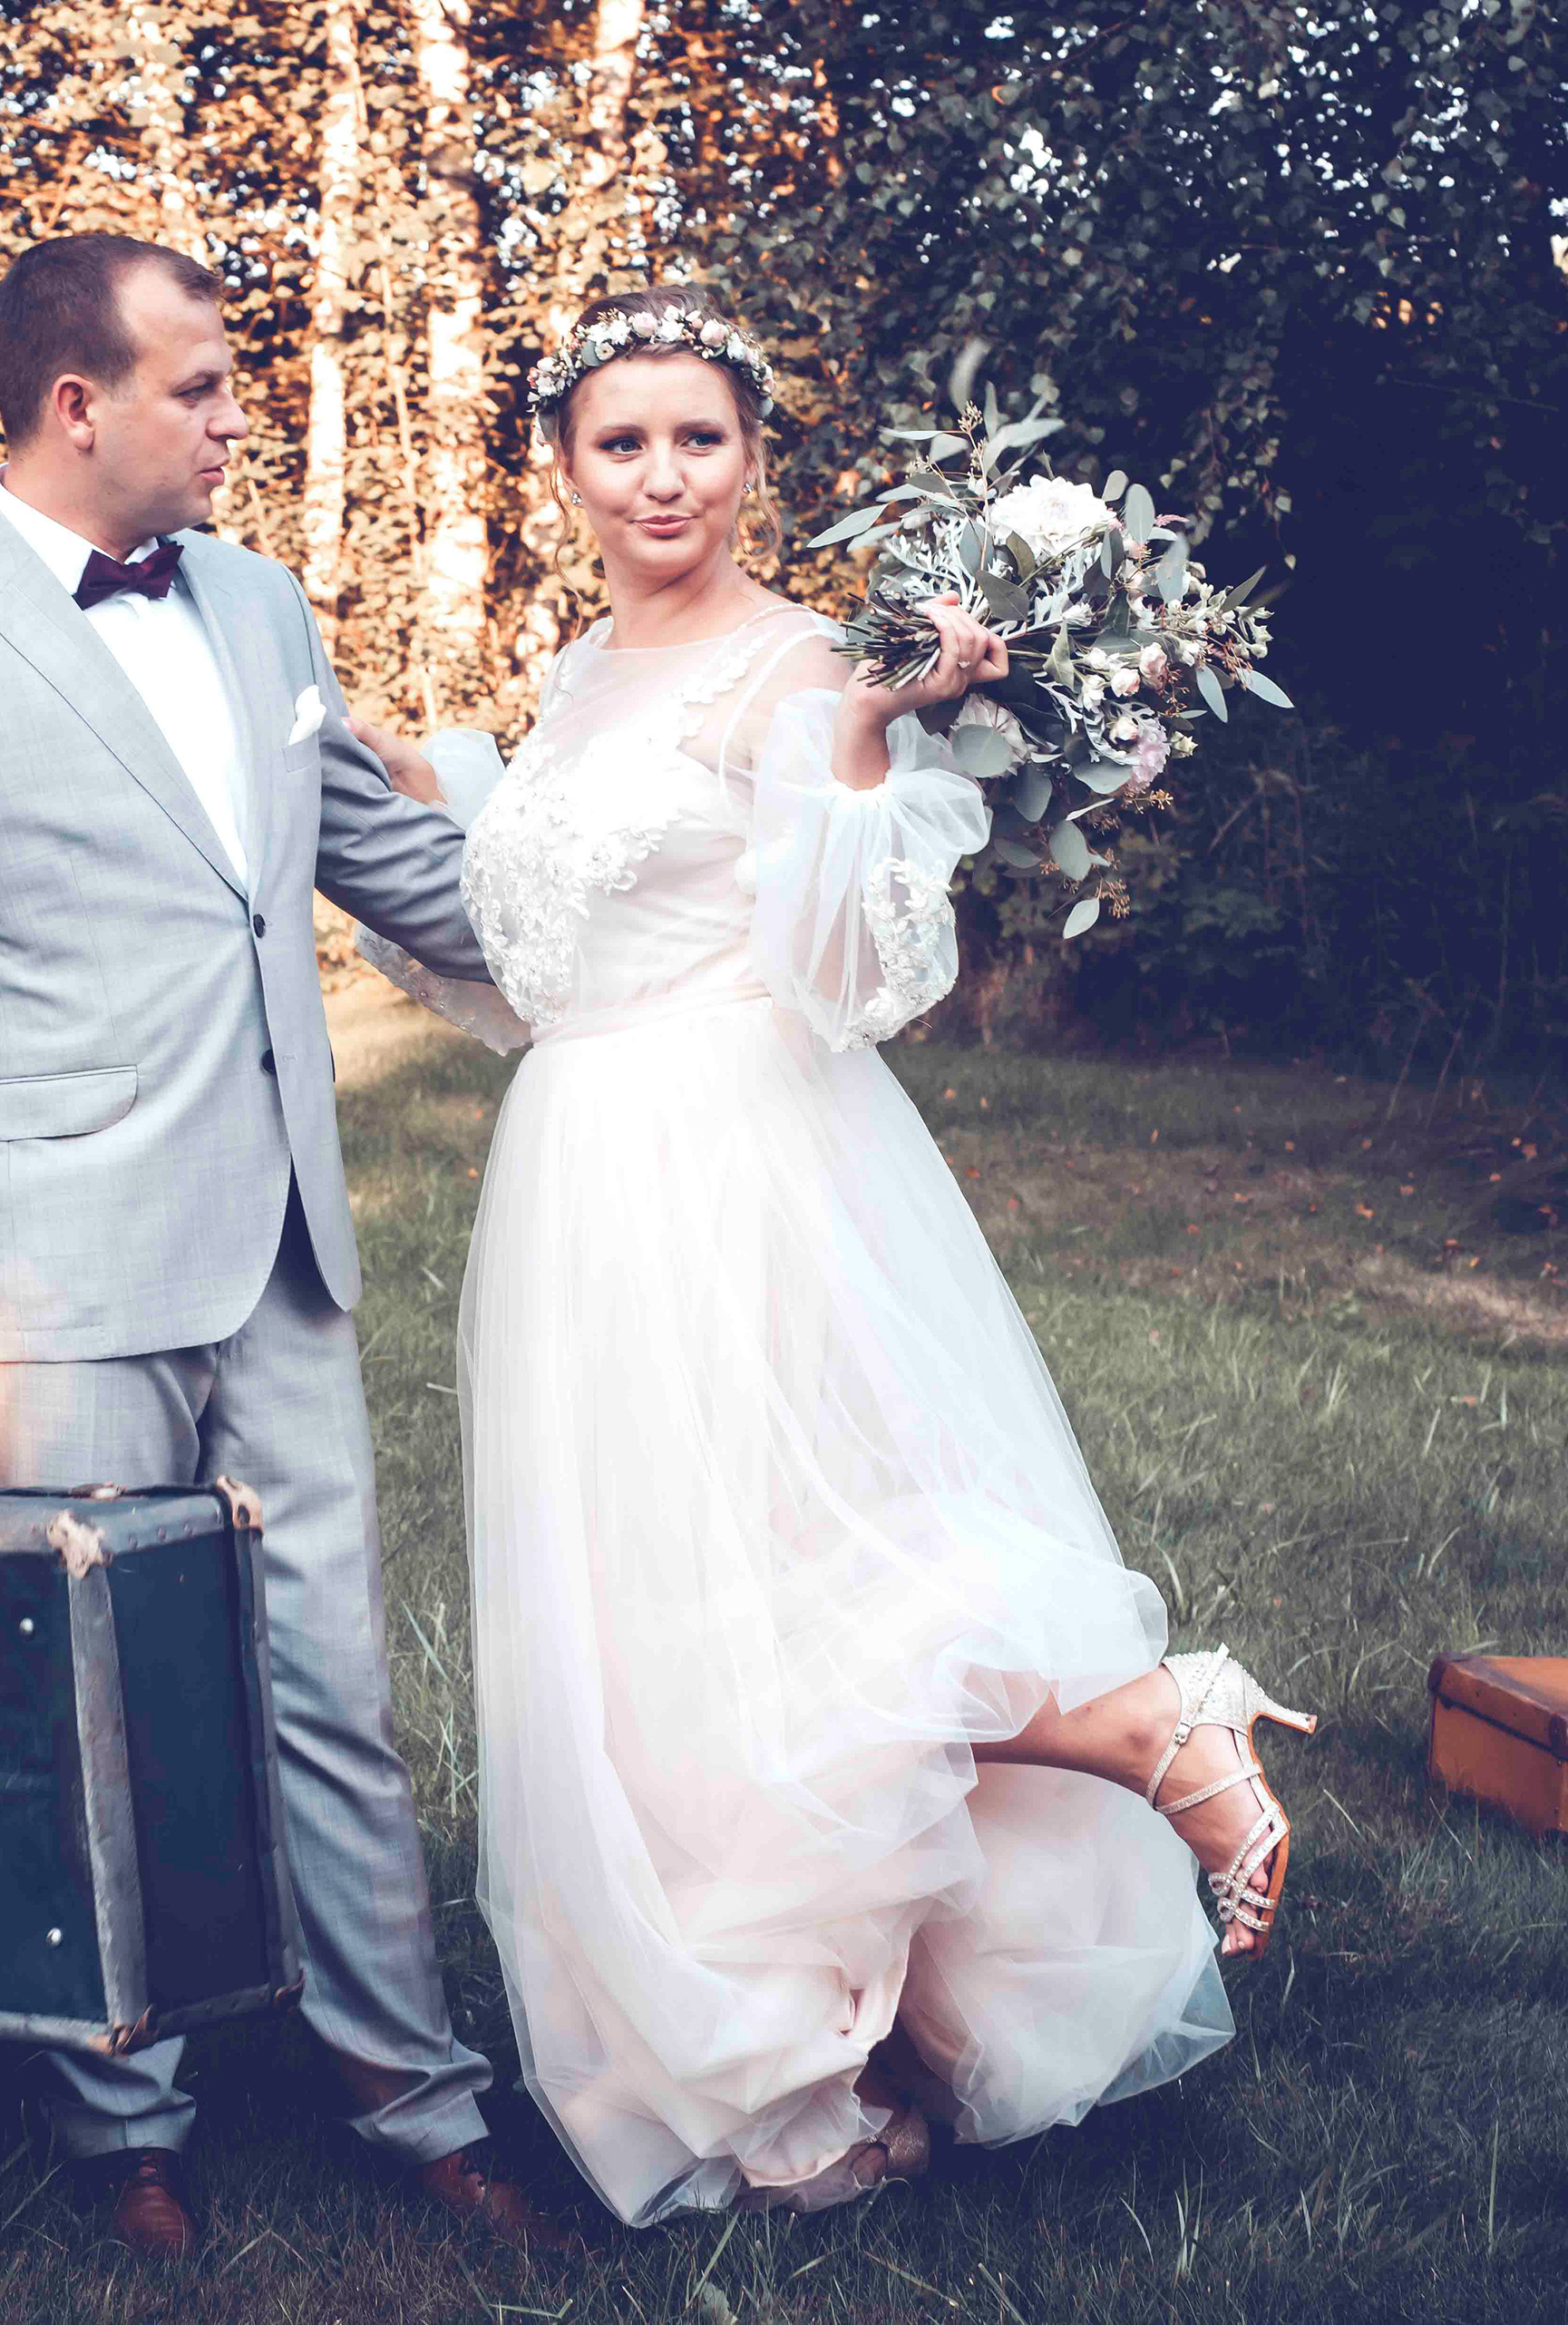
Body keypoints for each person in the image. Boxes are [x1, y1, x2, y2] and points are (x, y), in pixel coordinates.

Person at [351, 285, 1320, 2227]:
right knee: (663, 1620)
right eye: (621, 441)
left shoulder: (803, 662)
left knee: (800, 1574)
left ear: (750, 458)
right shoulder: (572, 676)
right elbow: (546, 952)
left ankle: (1140, 1723)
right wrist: (432, 805)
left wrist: (868, 752)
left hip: (739, 1156)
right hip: (579, 1174)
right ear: (564, 470)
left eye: (698, 438)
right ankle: (817, 2048)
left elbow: (857, 974)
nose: (662, 477)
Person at [0, 232, 580, 2263]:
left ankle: (417, 2097)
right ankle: (124, 2123)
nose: (237, 421)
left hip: (282, 1250)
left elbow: (392, 867)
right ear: (80, 404)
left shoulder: (257, 602)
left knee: (335, 1695)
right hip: (46, 1274)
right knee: (93, 1712)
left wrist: (680, 912)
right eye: (203, 388)